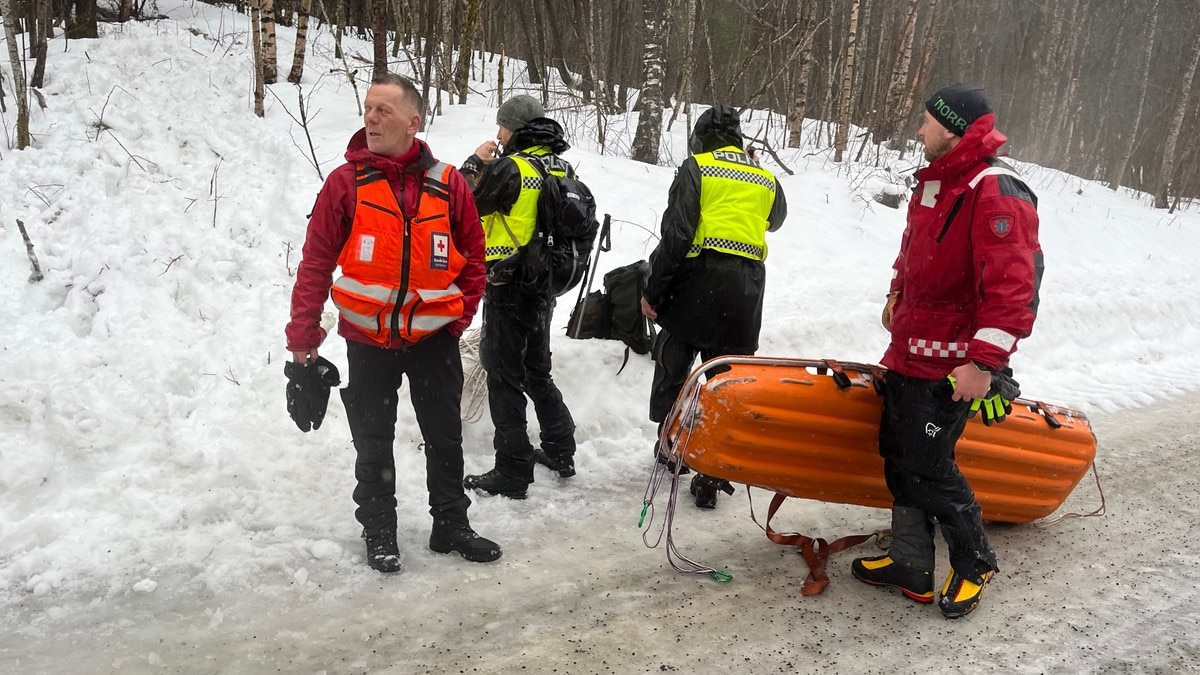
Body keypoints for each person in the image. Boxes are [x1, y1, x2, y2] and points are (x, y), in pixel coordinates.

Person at [285, 73, 501, 574]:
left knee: (445, 437)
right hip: (368, 342)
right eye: (367, 109)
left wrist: (457, 320)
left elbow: (474, 259)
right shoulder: (346, 183)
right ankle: (380, 530)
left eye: (383, 110)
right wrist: (303, 341)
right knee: (374, 440)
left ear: (413, 120)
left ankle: (451, 523)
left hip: (432, 340)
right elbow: (316, 264)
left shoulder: (449, 185)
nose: (371, 118)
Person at [850, 83, 1042, 618]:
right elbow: (912, 253)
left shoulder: (995, 188)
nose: (919, 130)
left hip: (952, 367)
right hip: (909, 354)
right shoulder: (937, 184)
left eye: (927, 121)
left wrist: (984, 364)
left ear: (953, 127)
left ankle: (974, 562)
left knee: (931, 470)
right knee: (900, 462)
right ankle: (911, 562)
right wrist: (896, 290)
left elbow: (1012, 288)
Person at [640, 105, 787, 509]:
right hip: (745, 290)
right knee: (728, 377)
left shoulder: (697, 167)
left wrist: (653, 291)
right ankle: (714, 470)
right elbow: (777, 219)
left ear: (700, 137)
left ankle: (670, 448)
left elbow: (677, 234)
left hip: (697, 280)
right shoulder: (762, 175)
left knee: (675, 360)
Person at [459, 95, 579, 499]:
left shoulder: (512, 167)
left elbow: (462, 205)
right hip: (545, 285)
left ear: (516, 129)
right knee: (536, 371)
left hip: (508, 285)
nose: (498, 133)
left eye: (503, 126)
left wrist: (475, 163)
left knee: (504, 375)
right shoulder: (562, 166)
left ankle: (511, 472)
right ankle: (561, 449)